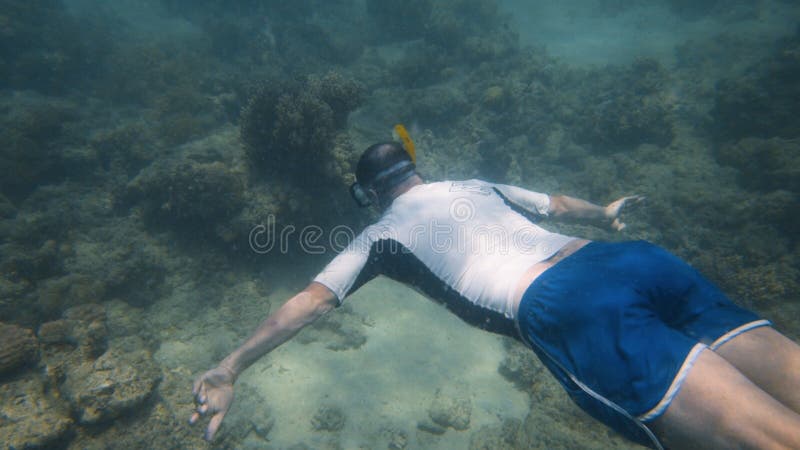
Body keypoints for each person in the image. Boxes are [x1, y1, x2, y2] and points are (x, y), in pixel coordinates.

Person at [190, 142, 800, 448]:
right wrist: (608, 214)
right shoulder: (474, 184)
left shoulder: (379, 235)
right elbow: (560, 207)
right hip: (628, 259)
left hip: (569, 307)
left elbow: (310, 302)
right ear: (414, 167)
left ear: (368, 195)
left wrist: (229, 365)